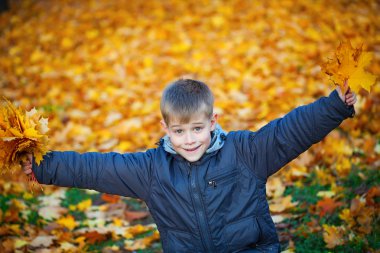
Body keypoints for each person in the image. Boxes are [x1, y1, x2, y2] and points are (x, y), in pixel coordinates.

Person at [22, 79, 357, 252]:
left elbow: (290, 132)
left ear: (213, 121)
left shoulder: (246, 153)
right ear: (165, 129)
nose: (190, 140)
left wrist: (335, 106)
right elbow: (96, 169)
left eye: (197, 129)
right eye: (179, 132)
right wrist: (43, 166)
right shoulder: (151, 170)